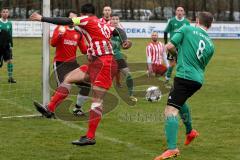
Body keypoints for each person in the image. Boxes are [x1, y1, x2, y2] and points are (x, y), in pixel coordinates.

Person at [30, 3, 132, 146]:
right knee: (69, 78)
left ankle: (90, 137)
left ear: (83, 14)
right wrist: (125, 40)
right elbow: (119, 31)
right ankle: (50, 108)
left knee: (97, 100)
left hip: (105, 64)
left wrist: (42, 18)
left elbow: (66, 21)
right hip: (96, 63)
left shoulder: (87, 20)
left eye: (79, 15)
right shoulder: (101, 23)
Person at [154, 12, 215, 160]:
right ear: (210, 25)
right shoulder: (211, 44)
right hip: (197, 79)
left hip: (184, 76)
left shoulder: (187, 28)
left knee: (170, 111)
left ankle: (172, 149)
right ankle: (190, 131)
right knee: (180, 102)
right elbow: (201, 63)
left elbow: (169, 46)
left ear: (197, 21)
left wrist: (176, 55)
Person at [51, 10, 90, 116]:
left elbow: (83, 50)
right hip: (60, 63)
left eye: (74, 18)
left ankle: (77, 109)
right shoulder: (60, 28)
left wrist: (92, 47)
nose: (72, 20)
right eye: (70, 18)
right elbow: (53, 44)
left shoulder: (78, 33)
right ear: (66, 18)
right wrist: (59, 35)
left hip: (73, 65)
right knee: (63, 88)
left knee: (86, 86)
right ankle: (50, 109)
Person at [111, 14, 137, 102]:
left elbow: (124, 45)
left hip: (117, 55)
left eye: (116, 19)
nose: (115, 21)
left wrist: (128, 44)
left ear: (118, 21)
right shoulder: (104, 30)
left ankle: (131, 95)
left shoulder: (121, 32)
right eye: (113, 19)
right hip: (106, 57)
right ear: (110, 20)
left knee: (128, 75)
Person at [164, 7, 190, 83]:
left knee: (183, 63)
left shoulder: (186, 22)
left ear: (183, 12)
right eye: (178, 10)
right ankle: (167, 78)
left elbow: (188, 34)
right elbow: (165, 32)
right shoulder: (172, 21)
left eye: (181, 10)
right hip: (172, 46)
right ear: (176, 12)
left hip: (182, 46)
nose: (179, 12)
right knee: (172, 63)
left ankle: (183, 79)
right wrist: (166, 44)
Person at [0, 8, 16, 83]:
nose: (5, 13)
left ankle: (10, 78)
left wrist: (11, 45)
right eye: (4, 12)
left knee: (10, 61)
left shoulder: (9, 23)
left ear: (8, 14)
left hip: (6, 46)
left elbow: (10, 35)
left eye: (7, 12)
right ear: (1, 13)